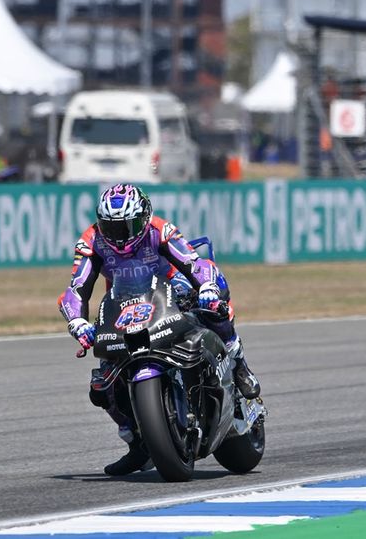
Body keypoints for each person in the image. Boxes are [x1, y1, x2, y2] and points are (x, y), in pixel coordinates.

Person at [58, 183, 262, 476]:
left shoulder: (160, 230)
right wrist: (77, 322)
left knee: (212, 302)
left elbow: (193, 262)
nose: (120, 235)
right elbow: (76, 289)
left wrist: (205, 287)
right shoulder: (91, 241)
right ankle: (137, 442)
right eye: (111, 227)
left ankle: (239, 363)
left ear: (144, 218)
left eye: (128, 226)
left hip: (173, 287)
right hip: (124, 301)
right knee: (102, 386)